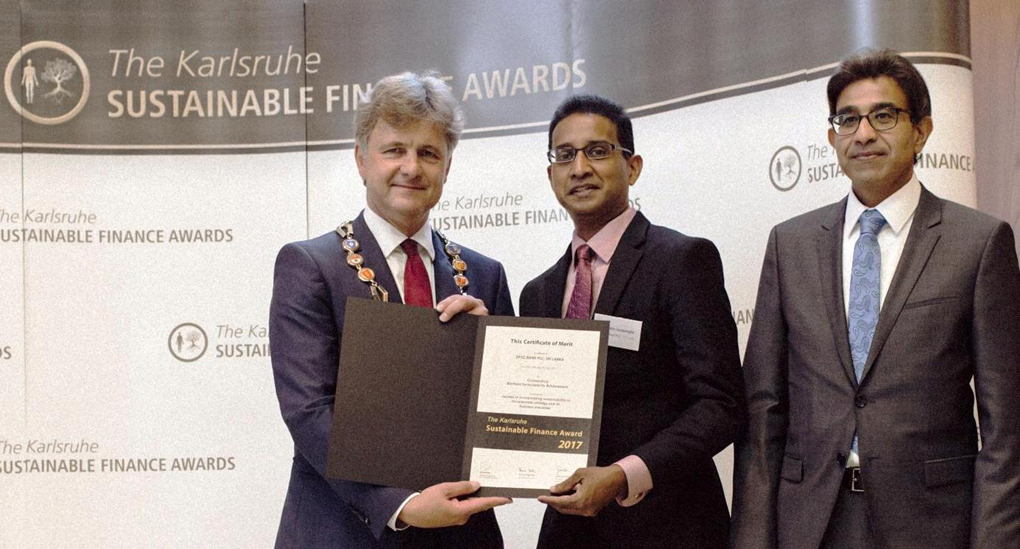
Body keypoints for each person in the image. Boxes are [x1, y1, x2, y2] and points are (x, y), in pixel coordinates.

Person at [730, 49, 1020, 549]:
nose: (863, 133)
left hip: (931, 525)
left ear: (922, 131)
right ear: (832, 138)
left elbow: (1005, 427)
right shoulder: (790, 244)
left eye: (883, 116)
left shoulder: (978, 242)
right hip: (810, 521)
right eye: (848, 119)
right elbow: (764, 412)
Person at [269, 71, 514, 548]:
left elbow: (506, 421)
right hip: (344, 529)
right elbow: (309, 411)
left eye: (428, 153)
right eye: (394, 150)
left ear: (448, 167)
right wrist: (398, 505)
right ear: (361, 160)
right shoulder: (310, 266)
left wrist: (496, 354)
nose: (411, 167)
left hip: (464, 536)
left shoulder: (485, 276)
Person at [519, 94, 745, 548]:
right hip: (568, 534)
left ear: (633, 166)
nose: (579, 167)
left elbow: (721, 405)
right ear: (551, 175)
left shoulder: (681, 260)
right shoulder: (537, 294)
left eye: (597, 151)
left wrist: (624, 475)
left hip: (670, 528)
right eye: (565, 156)